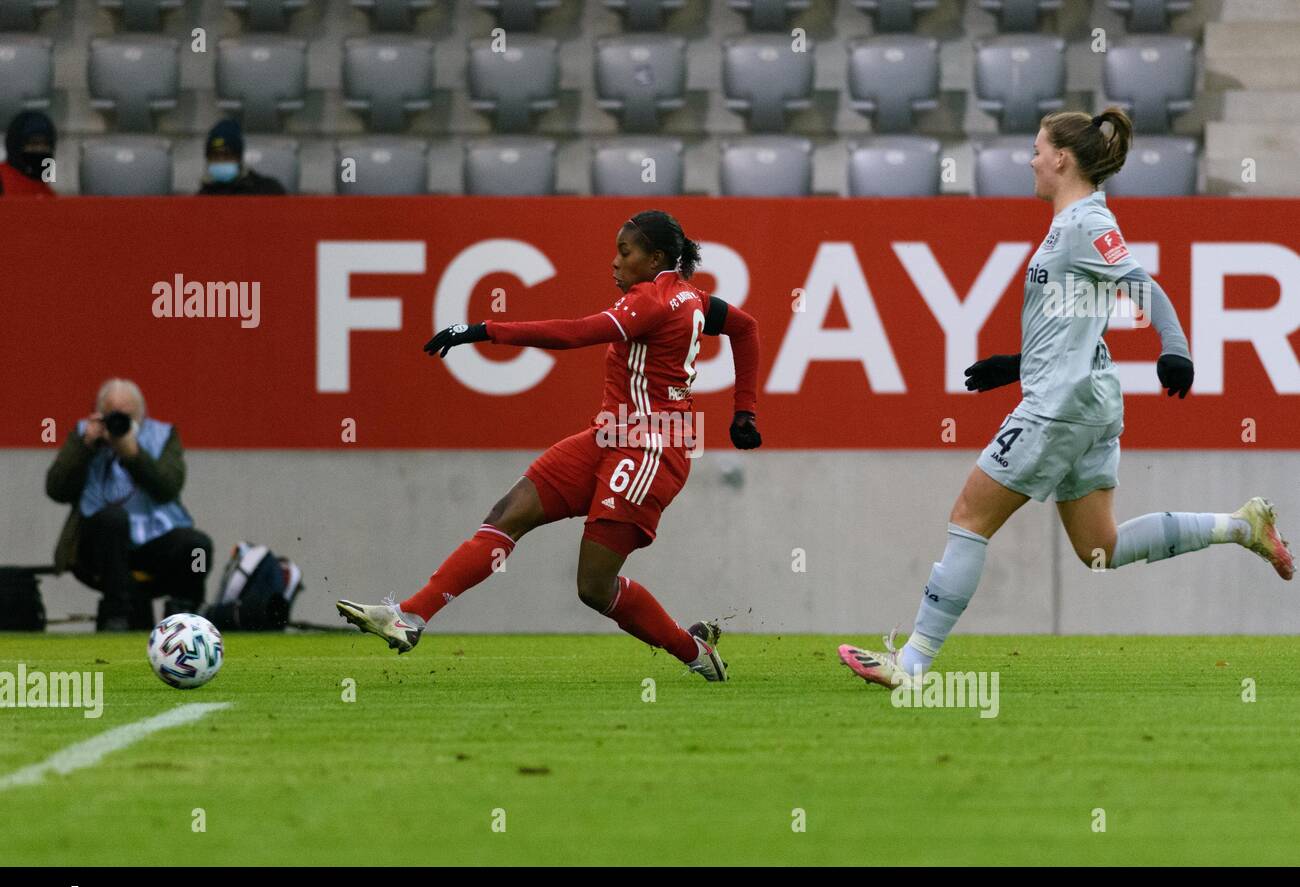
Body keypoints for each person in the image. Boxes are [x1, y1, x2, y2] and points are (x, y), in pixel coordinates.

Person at [839, 107, 1294, 689]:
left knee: (969, 518)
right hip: (1086, 396)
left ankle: (913, 665)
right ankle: (1240, 527)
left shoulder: (1084, 221)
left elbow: (1139, 281)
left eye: (1037, 149)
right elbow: (1074, 315)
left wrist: (1174, 346)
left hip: (1060, 404)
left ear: (1061, 158)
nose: (1030, 161)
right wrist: (1019, 363)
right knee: (1098, 546)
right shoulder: (1072, 224)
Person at [337, 210, 763, 681]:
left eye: (626, 252)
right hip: (609, 437)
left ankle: (693, 651)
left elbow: (574, 334)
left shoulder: (652, 301)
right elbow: (746, 328)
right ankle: (411, 616)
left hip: (649, 450)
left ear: (655, 258)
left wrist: (483, 330)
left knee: (594, 587)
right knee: (508, 512)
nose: (615, 262)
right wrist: (744, 411)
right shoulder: (693, 297)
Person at [45, 379, 213, 631]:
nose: (118, 423)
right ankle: (117, 615)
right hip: (99, 549)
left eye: (127, 416)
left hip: (155, 542)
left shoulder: (163, 435)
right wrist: (85, 447)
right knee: (113, 519)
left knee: (197, 548)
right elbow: (56, 489)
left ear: (141, 415)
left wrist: (133, 455)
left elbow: (168, 488)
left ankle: (185, 616)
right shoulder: (84, 435)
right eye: (112, 415)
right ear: (99, 414)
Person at [196, 118, 285, 195]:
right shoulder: (203, 196)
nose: (221, 160)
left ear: (238, 158)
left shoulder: (268, 190)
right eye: (215, 156)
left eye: (227, 155)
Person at [0, 110, 56, 197]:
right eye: (33, 144)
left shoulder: (47, 194)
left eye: (45, 144)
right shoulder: (2, 179)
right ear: (16, 146)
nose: (40, 149)